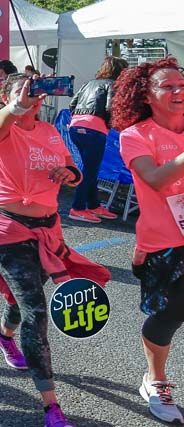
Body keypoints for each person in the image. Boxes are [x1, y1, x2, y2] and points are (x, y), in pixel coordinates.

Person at [0, 73, 109, 427]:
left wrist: (69, 175)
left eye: (37, 95)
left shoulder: (50, 131)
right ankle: (50, 405)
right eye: (28, 94)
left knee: (22, 301)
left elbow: (73, 168)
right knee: (36, 311)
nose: (35, 100)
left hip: (48, 231)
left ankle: (3, 334)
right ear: (9, 96)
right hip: (9, 230)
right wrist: (16, 106)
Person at [112, 58, 184, 423]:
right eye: (167, 86)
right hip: (165, 244)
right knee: (170, 313)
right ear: (147, 94)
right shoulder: (136, 135)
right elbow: (154, 178)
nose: (178, 91)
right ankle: (155, 379)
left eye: (181, 84)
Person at [67, 57, 127, 223]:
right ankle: (77, 208)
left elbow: (72, 104)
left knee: (89, 168)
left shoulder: (89, 83)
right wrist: (110, 125)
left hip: (76, 127)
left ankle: (93, 205)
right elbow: (110, 108)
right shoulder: (113, 85)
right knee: (90, 170)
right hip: (94, 129)